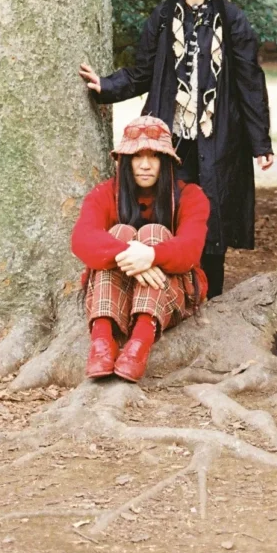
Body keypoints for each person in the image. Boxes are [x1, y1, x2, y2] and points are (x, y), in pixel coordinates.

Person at [79, 0, 273, 299]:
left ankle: (208, 297)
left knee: (212, 222)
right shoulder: (163, 17)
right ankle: (167, 296)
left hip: (220, 138)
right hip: (169, 140)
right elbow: (142, 72)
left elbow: (250, 81)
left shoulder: (233, 19)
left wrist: (260, 142)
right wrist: (106, 86)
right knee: (166, 213)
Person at [71, 115, 209, 382]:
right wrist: (134, 257)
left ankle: (139, 344)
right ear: (125, 161)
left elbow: (191, 247)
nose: (145, 165)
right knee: (120, 233)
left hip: (171, 295)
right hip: (115, 294)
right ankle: (102, 340)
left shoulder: (191, 196)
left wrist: (152, 255)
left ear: (166, 161)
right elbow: (82, 238)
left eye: (154, 156)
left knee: (153, 233)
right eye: (137, 156)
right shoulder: (105, 193)